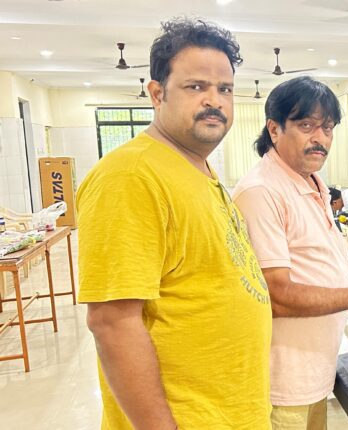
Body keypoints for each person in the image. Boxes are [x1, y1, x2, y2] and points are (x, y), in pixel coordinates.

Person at [77, 18, 272, 429]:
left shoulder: (198, 168)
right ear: (157, 93)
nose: (214, 100)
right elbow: (112, 323)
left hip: (230, 412)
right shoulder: (131, 176)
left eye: (225, 89)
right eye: (196, 86)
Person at [232, 76, 348, 429]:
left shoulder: (311, 182)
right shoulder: (262, 192)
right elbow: (277, 296)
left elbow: (320, 262)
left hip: (315, 368)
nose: (320, 138)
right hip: (283, 380)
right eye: (307, 126)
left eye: (328, 128)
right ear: (274, 129)